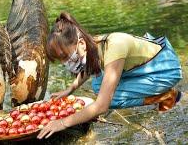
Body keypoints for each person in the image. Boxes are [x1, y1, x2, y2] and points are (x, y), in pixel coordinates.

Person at [37, 12, 182, 139]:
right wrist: (70, 89)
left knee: (108, 99)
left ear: (81, 43)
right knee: (97, 84)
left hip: (164, 68)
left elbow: (102, 106)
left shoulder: (114, 48)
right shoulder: (92, 45)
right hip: (144, 66)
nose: (65, 63)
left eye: (65, 56)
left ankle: (167, 96)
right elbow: (88, 68)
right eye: (60, 60)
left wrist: (62, 123)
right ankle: (153, 90)